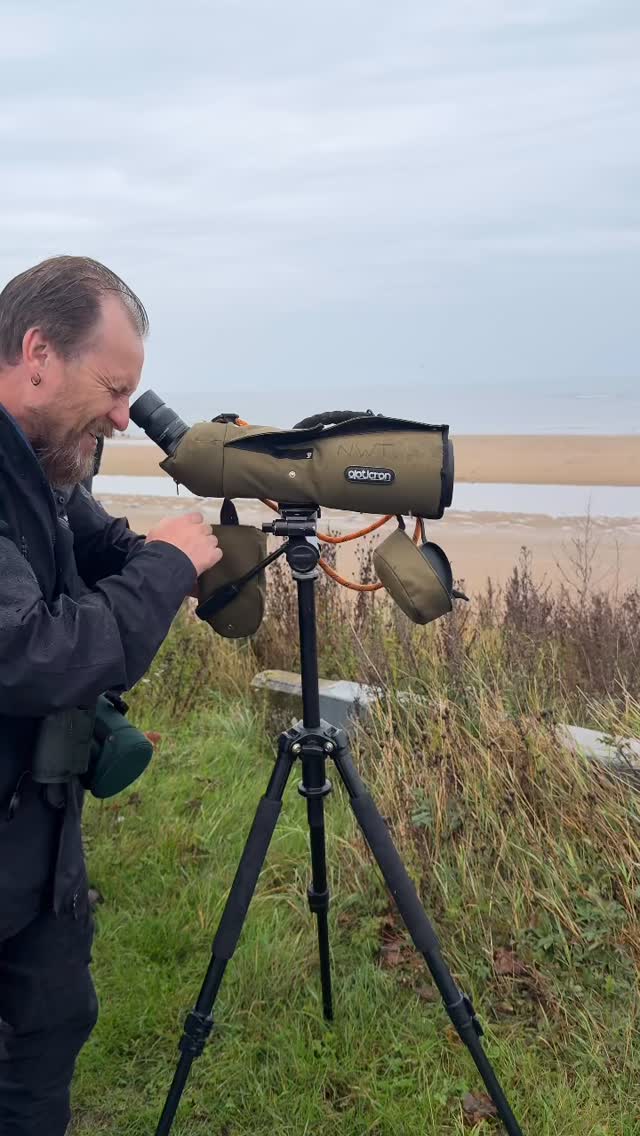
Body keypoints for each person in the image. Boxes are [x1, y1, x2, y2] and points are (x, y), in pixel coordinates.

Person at [0, 255, 222, 1134]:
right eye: (115, 388)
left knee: (51, 1028)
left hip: (34, 843)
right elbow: (32, 654)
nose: (127, 415)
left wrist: (196, 564)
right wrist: (168, 566)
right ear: (39, 352)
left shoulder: (45, 466)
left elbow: (104, 550)